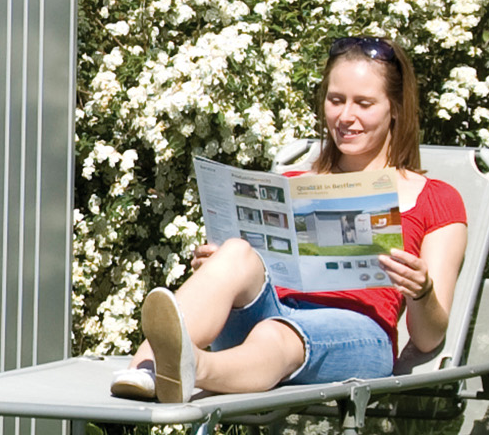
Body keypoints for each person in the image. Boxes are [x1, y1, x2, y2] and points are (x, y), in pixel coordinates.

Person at [112, 35, 469, 403]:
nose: (346, 116)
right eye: (336, 100)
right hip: (269, 318)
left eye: (364, 104)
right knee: (235, 254)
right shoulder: (290, 186)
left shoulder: (435, 199)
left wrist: (421, 290)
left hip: (358, 336)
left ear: (395, 108)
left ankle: (191, 368)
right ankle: (147, 368)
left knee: (277, 333)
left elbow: (428, 338)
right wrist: (215, 268)